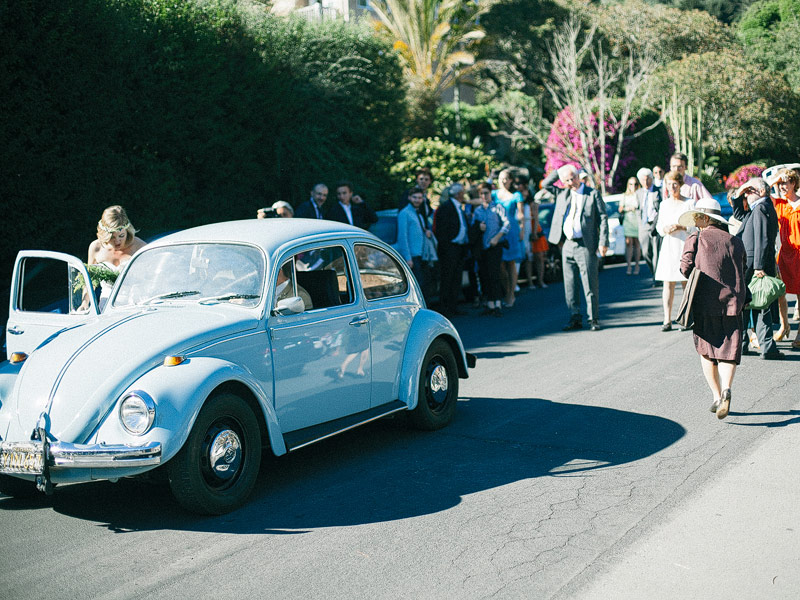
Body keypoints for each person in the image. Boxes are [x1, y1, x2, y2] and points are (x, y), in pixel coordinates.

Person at [679, 198, 747, 419]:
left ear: (706, 218)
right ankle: (727, 388)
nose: (696, 221)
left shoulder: (696, 238)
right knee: (729, 350)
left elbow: (685, 268)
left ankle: (717, 397)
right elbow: (743, 267)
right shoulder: (735, 241)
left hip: (704, 303)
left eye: (698, 217)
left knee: (707, 351)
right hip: (733, 303)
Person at [543, 164, 609, 331]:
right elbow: (545, 185)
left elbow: (602, 218)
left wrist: (603, 241)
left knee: (589, 282)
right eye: (567, 180)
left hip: (586, 244)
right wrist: (559, 171)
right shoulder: (562, 194)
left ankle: (593, 319)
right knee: (570, 283)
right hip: (567, 244)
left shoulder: (591, 194)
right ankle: (574, 317)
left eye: (573, 178)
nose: (571, 182)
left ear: (579, 177)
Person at [733, 177, 783, 359]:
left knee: (762, 304)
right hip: (752, 262)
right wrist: (740, 192)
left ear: (762, 192)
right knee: (748, 303)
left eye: (750, 190)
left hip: (756, 263)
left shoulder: (762, 207)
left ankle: (766, 347)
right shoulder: (757, 208)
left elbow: (762, 238)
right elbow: (739, 213)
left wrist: (759, 267)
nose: (747, 193)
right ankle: (745, 344)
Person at [655, 171, 694, 331]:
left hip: (683, 244)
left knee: (685, 282)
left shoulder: (689, 203)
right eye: (669, 184)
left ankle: (686, 317)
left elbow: (694, 225)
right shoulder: (664, 204)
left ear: (680, 184)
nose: (672, 187)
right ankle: (667, 319)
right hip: (669, 245)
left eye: (675, 183)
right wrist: (664, 228)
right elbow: (659, 225)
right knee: (668, 283)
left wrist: (681, 226)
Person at [88, 205, 146, 310]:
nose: (117, 241)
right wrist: (84, 303)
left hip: (135, 305)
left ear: (127, 230)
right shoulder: (96, 248)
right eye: (112, 237)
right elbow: (90, 281)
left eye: (121, 236)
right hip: (106, 307)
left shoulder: (140, 247)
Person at [770, 168, 800, 348]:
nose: (782, 186)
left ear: (794, 183)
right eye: (780, 183)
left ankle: (799, 334)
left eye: (785, 182)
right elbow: (764, 191)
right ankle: (784, 326)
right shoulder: (779, 203)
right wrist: (776, 179)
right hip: (784, 254)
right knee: (781, 292)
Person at [472, 182, 510, 316]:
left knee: (494, 275)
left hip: (494, 245)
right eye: (481, 193)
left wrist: (497, 237)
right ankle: (490, 304)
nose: (484, 196)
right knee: (484, 275)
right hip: (482, 247)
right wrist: (478, 228)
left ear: (490, 193)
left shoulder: (498, 207)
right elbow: (473, 229)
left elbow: (506, 224)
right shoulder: (478, 211)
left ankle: (498, 303)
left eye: (486, 193)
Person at [433, 183, 470, 317]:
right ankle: (445, 308)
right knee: (447, 278)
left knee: (456, 278)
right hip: (449, 248)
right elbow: (441, 230)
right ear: (458, 194)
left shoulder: (460, 207)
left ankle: (454, 306)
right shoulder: (445, 208)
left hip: (460, 247)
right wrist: (446, 246)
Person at [493, 168, 524, 307]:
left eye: (506, 178)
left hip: (512, 230)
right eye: (501, 178)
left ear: (510, 180)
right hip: (498, 230)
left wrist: (522, 229)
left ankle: (511, 293)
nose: (503, 181)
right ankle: (506, 290)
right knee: (500, 264)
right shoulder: (494, 194)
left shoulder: (516, 195)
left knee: (511, 263)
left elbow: (521, 214)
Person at [396, 186, 434, 298]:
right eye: (414, 197)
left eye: (420, 198)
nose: (417, 200)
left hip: (423, 255)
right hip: (413, 256)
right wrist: (408, 258)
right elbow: (402, 237)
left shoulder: (419, 214)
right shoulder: (405, 213)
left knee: (425, 286)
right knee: (418, 287)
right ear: (409, 198)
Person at [516, 175, 548, 289]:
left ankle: (540, 280)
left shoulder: (532, 204)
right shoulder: (519, 204)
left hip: (533, 229)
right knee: (528, 258)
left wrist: (534, 233)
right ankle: (530, 282)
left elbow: (536, 218)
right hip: (525, 230)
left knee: (539, 257)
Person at [636, 168, 662, 285]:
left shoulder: (658, 191)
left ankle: (657, 278)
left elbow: (661, 209)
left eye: (647, 179)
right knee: (646, 252)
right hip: (644, 225)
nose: (645, 182)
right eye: (643, 180)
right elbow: (638, 210)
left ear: (651, 179)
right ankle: (654, 272)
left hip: (655, 224)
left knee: (656, 252)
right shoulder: (638, 193)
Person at [619, 176, 642, 275]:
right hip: (628, 221)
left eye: (635, 184)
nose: (633, 186)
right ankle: (628, 265)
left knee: (636, 243)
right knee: (629, 243)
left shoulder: (639, 194)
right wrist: (627, 208)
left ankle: (637, 265)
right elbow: (620, 209)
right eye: (631, 184)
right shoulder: (624, 195)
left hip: (637, 221)